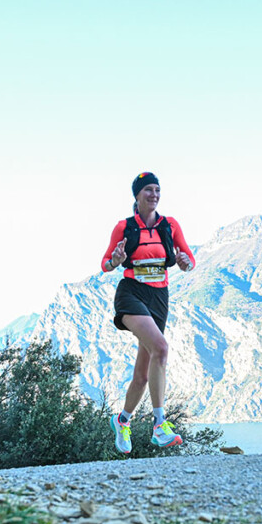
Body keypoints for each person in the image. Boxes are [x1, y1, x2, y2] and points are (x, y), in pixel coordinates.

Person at [101, 171, 195, 454]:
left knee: (143, 374)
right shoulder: (124, 227)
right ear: (137, 195)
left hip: (159, 298)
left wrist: (184, 262)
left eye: (157, 189)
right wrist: (116, 259)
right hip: (131, 293)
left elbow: (189, 259)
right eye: (148, 190)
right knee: (161, 348)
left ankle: (122, 420)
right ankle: (159, 425)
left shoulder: (170, 225)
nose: (154, 194)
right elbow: (105, 263)